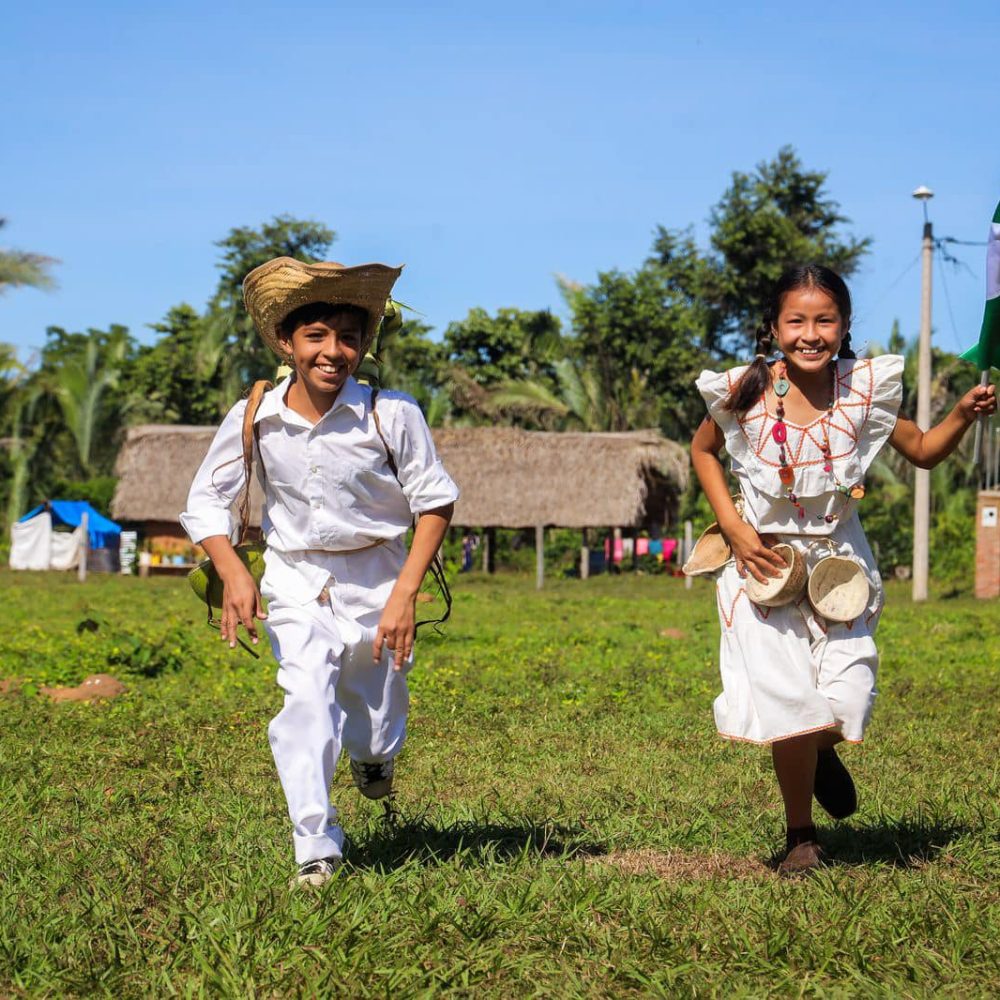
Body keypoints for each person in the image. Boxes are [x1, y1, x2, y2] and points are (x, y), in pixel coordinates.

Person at [690, 264, 996, 874]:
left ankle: (818, 748)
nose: (810, 333)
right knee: (787, 702)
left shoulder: (864, 389)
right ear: (774, 328)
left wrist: (963, 412)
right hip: (764, 568)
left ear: (845, 325)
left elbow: (926, 452)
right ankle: (799, 835)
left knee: (848, 694)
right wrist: (733, 527)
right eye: (796, 321)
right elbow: (703, 451)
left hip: (841, 569)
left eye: (824, 320)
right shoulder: (746, 388)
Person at [181, 258, 459, 887]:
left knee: (377, 714)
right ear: (287, 343)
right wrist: (232, 570)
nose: (334, 352)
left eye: (349, 337)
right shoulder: (255, 414)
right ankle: (315, 843)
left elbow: (435, 501)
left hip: (382, 574)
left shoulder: (392, 414)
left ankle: (374, 758)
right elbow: (205, 501)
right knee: (305, 695)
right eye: (316, 337)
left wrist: (405, 594)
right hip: (295, 577)